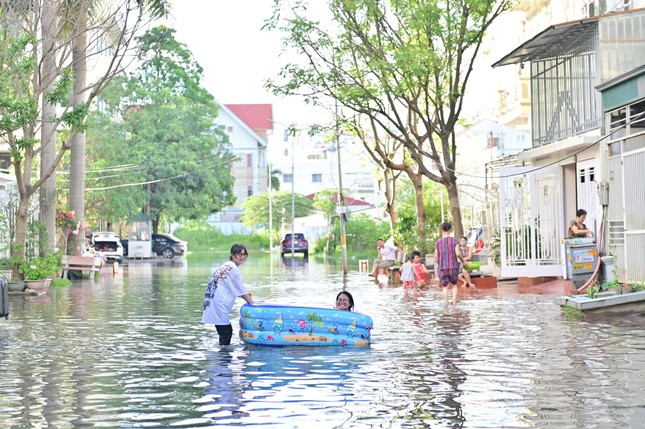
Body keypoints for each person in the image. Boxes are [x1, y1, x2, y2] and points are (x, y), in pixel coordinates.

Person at [202, 244, 254, 345]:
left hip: (213, 303)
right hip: (219, 305)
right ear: (232, 255)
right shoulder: (233, 268)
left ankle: (223, 357)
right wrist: (254, 305)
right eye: (240, 254)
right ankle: (224, 359)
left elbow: (228, 286)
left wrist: (243, 294)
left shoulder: (227, 266)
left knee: (224, 333)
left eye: (245, 254)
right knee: (226, 333)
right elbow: (242, 292)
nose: (243, 257)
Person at [434, 222, 466, 306]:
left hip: (442, 267)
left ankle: (446, 303)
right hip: (453, 266)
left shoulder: (438, 242)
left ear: (441, 229)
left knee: (445, 286)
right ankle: (454, 303)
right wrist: (463, 261)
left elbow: (436, 256)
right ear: (450, 230)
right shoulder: (454, 241)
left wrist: (439, 264)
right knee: (454, 285)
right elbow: (458, 253)